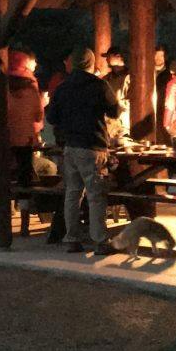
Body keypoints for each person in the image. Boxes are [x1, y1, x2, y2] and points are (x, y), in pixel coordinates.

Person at [45, 47, 122, 255]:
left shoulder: (63, 88)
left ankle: (72, 239)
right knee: (96, 195)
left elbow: (51, 117)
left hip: (70, 147)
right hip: (93, 145)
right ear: (91, 63)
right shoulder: (99, 85)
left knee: (72, 194)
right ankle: (100, 241)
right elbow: (115, 111)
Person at [7, 48, 45, 187]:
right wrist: (43, 102)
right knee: (25, 173)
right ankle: (24, 205)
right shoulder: (30, 84)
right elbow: (38, 113)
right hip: (25, 137)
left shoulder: (2, 84)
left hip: (5, 135)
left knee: (4, 172)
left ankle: (5, 203)